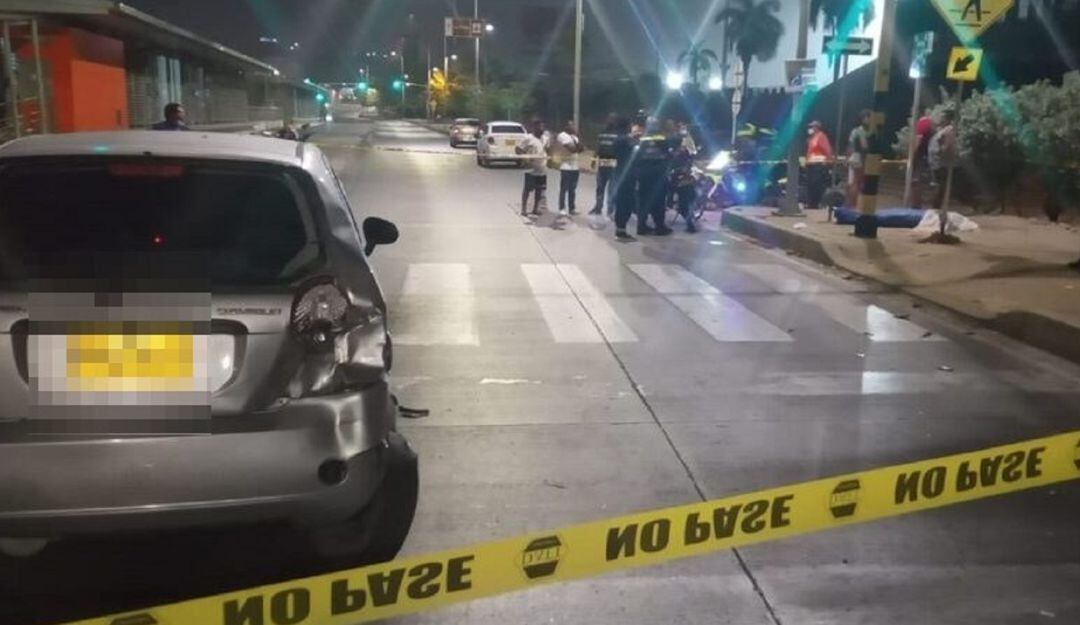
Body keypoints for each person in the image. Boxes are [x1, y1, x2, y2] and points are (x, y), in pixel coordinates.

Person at [634, 118, 674, 236]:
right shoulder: (662, 139)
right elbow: (669, 154)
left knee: (643, 200)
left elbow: (636, 157)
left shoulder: (641, 139)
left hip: (643, 173)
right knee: (659, 201)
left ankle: (641, 226)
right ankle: (660, 227)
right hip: (658, 174)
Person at [609, 116, 639, 241]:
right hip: (627, 175)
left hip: (620, 173)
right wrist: (636, 139)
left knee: (622, 202)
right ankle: (621, 232)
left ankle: (620, 230)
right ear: (626, 126)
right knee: (626, 203)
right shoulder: (625, 139)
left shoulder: (618, 139)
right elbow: (636, 150)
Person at [515, 120, 551, 217]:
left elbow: (547, 150)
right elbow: (518, 149)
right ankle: (524, 209)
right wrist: (526, 157)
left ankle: (535, 208)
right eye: (540, 127)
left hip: (542, 168)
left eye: (543, 127)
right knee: (527, 189)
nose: (542, 129)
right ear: (535, 127)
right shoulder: (528, 138)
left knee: (539, 189)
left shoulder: (545, 139)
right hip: (531, 169)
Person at [928, 108, 958, 210]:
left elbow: (948, 145)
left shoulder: (948, 130)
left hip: (941, 163)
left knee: (940, 187)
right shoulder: (942, 130)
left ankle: (936, 208)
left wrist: (943, 152)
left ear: (947, 119)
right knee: (939, 186)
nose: (941, 118)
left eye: (943, 117)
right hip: (937, 162)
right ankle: (936, 208)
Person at [553, 120, 585, 215]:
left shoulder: (574, 137)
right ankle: (562, 208)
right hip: (565, 166)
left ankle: (572, 208)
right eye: (572, 125)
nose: (574, 127)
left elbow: (582, 148)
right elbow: (572, 149)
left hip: (575, 166)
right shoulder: (562, 136)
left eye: (574, 125)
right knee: (564, 188)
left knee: (572, 189)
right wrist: (578, 147)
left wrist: (578, 138)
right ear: (566, 126)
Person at [592, 113, 619, 216]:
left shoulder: (617, 135)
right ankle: (598, 207)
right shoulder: (602, 133)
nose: (610, 121)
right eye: (609, 119)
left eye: (612, 120)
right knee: (600, 187)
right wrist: (593, 159)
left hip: (613, 163)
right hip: (602, 162)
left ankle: (610, 209)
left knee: (612, 188)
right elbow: (598, 147)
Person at [670, 139, 698, 233]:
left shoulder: (676, 155)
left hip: (681, 183)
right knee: (688, 202)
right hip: (687, 182)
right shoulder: (686, 154)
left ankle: (690, 223)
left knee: (683, 206)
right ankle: (690, 220)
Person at [805, 121, 833, 209]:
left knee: (816, 184)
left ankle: (815, 203)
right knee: (811, 184)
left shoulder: (821, 136)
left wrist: (828, 161)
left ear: (817, 128)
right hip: (811, 164)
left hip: (819, 164)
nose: (810, 129)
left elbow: (827, 149)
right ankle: (811, 203)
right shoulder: (812, 138)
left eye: (812, 127)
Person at [846, 109, 871, 208]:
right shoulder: (862, 131)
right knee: (857, 182)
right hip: (861, 157)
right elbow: (864, 147)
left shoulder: (855, 131)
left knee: (854, 182)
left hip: (855, 157)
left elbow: (850, 146)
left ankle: (852, 204)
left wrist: (848, 157)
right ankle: (853, 204)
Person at [911, 109, 935, 209]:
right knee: (924, 181)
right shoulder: (930, 123)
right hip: (928, 156)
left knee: (916, 181)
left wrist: (912, 155)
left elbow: (919, 139)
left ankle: (916, 205)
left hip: (921, 156)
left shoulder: (922, 122)